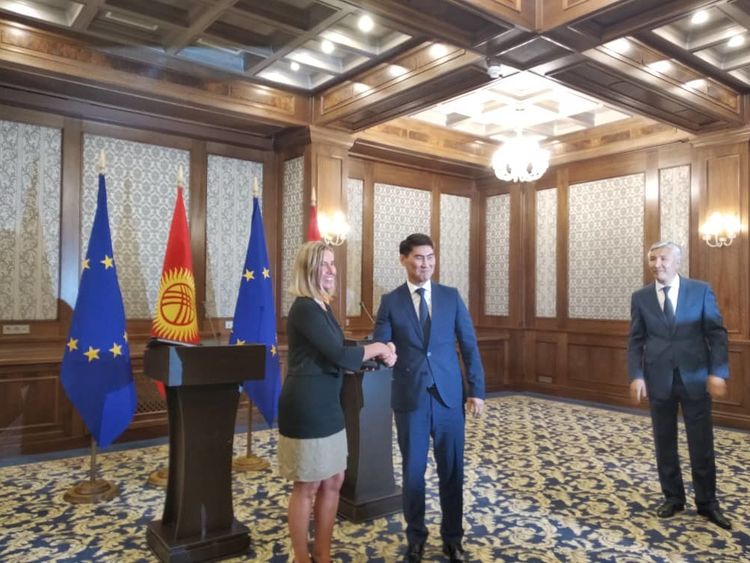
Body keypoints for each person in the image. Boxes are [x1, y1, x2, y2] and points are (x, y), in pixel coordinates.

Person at [278, 241, 396, 563]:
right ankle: (302, 557)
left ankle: (323, 553)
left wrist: (378, 350)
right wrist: (380, 348)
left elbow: (339, 346)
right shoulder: (304, 307)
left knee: (334, 479)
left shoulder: (321, 306)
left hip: (328, 403)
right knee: (307, 485)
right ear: (308, 269)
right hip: (306, 406)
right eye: (325, 264)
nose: (332, 270)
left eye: (333, 264)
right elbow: (339, 354)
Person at [373, 233, 485, 563]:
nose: (426, 264)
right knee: (413, 473)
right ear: (404, 260)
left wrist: (476, 391)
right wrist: (386, 350)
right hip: (411, 399)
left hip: (449, 397)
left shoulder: (451, 296)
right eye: (419, 257)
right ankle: (416, 538)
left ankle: (453, 539)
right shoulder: (390, 301)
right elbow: (382, 343)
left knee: (452, 470)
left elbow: (469, 345)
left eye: (431, 257)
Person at [627, 241, 731, 530]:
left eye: (662, 259)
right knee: (664, 442)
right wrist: (636, 375)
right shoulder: (640, 297)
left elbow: (717, 334)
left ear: (676, 262)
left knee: (701, 443)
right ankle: (673, 498)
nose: (657, 264)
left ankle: (707, 503)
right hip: (658, 378)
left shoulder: (700, 291)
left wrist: (718, 372)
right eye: (652, 259)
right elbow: (635, 340)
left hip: (695, 378)